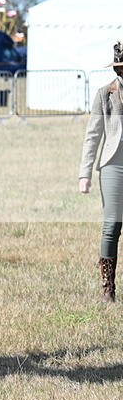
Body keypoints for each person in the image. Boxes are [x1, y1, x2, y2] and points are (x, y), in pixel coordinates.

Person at [79, 41, 123, 303]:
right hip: (113, 164)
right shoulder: (104, 93)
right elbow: (93, 135)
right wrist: (84, 174)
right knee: (111, 226)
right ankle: (108, 287)